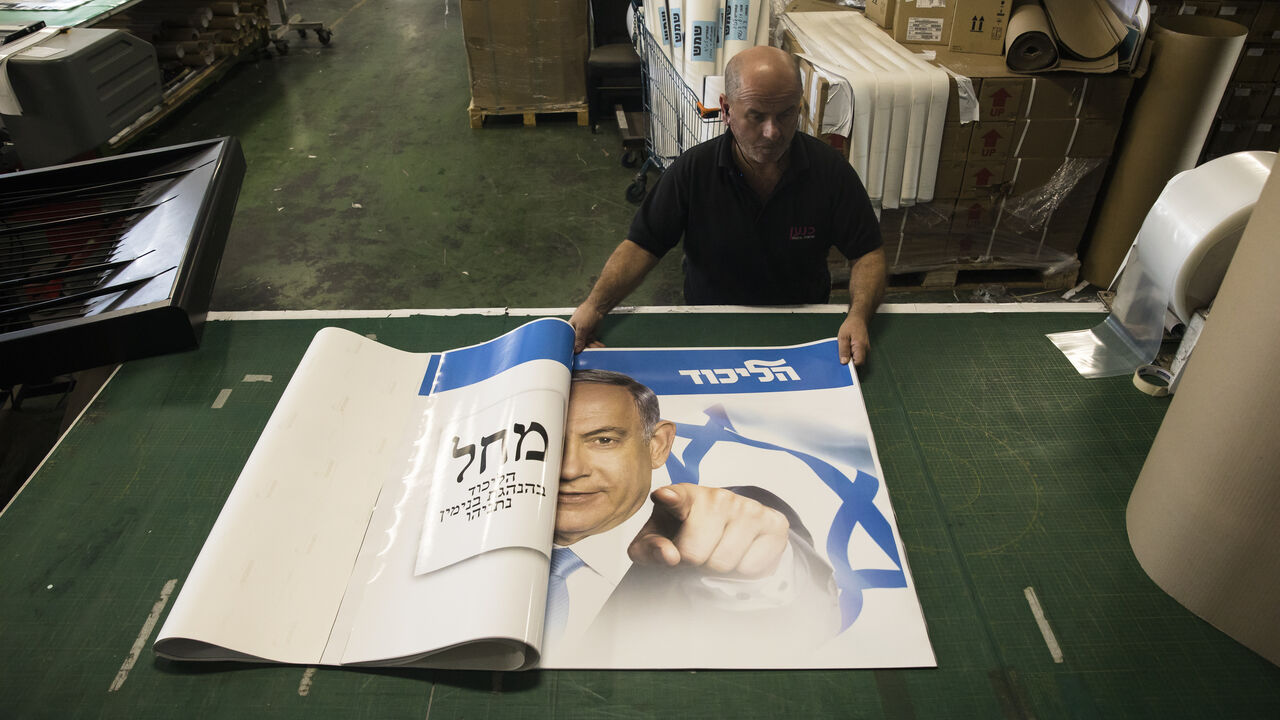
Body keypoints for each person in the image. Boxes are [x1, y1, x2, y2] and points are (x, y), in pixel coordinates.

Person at [570, 45, 887, 366]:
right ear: (725, 109)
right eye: (756, 115)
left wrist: (858, 315)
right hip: (711, 321)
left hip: (801, 323)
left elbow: (868, 253)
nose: (772, 132)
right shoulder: (693, 171)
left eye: (786, 114)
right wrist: (595, 306)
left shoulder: (829, 171)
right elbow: (642, 245)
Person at [547, 368, 839, 662]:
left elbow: (804, 625)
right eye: (546, 442)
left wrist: (763, 575)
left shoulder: (721, 519)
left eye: (604, 440)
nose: (570, 470)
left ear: (657, 446)